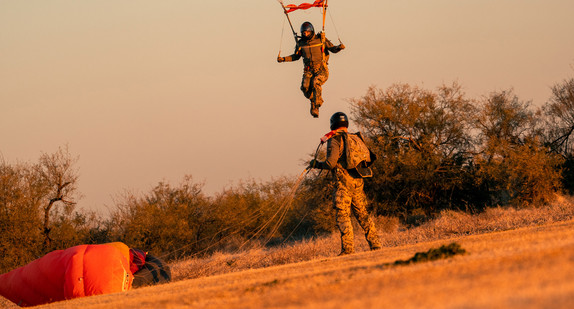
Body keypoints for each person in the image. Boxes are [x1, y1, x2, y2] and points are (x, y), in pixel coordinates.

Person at [308, 112, 382, 255]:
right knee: (363, 215)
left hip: (343, 185)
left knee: (343, 216)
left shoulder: (335, 139)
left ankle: (348, 249)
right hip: (358, 182)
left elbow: (330, 164)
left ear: (333, 124)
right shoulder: (355, 138)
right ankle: (375, 244)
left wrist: (316, 164)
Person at [277, 22, 345, 118]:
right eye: (304, 33)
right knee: (305, 87)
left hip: (321, 69)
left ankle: (316, 105)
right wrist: (283, 59)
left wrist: (339, 48)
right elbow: (296, 56)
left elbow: (333, 49)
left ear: (311, 31)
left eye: (307, 33)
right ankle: (313, 100)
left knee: (316, 82)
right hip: (308, 70)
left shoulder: (321, 40)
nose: (305, 34)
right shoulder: (301, 44)